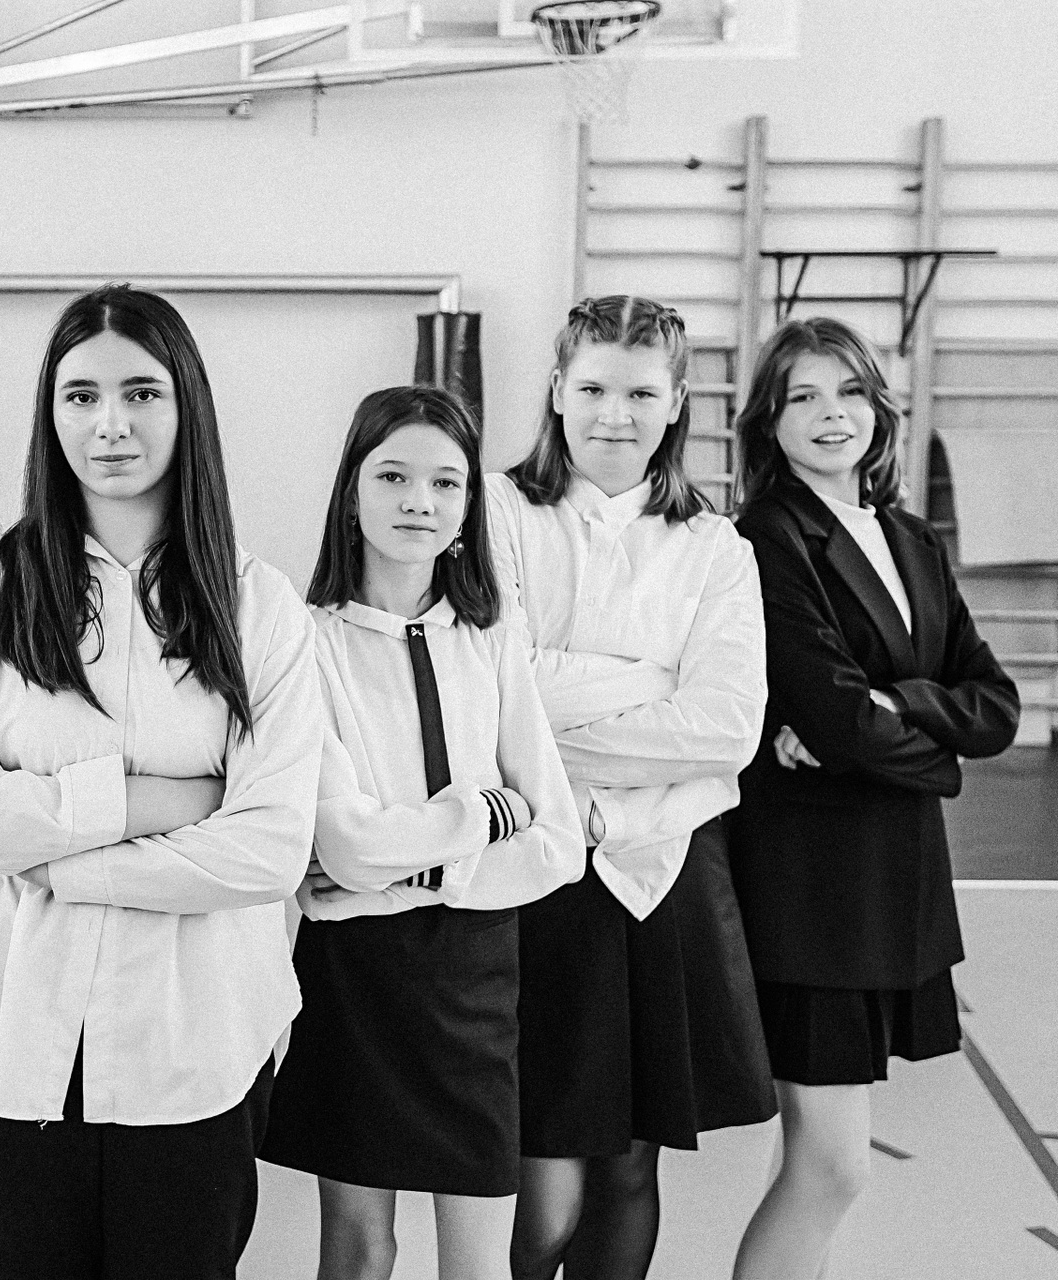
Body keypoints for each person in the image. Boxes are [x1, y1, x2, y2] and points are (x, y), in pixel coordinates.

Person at [0, 284, 323, 1279]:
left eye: (141, 392)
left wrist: (56, 863)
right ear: (50, 415)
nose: (111, 423)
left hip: (197, 1037)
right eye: (81, 396)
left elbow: (268, 848)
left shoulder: (259, 604)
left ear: (186, 406)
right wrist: (150, 801)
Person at [260, 385, 584, 1280]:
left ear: (468, 506)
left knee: (480, 1263)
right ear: (351, 490)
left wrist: (404, 882)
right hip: (356, 982)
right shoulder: (303, 639)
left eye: (446, 483)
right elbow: (347, 843)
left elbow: (557, 844)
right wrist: (484, 815)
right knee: (359, 1253)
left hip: (477, 976)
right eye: (394, 476)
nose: (420, 502)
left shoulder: (493, 634)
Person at [488, 295, 776, 1280]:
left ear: (678, 401)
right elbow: (501, 690)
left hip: (663, 874)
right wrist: (653, 680)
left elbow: (729, 728)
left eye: (642, 393)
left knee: (627, 1168)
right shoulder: (496, 511)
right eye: (594, 388)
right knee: (539, 1183)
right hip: (535, 876)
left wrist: (585, 747)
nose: (616, 414)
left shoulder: (716, 547)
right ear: (557, 391)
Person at [727, 317, 1018, 1280]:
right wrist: (933, 748)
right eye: (803, 396)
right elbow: (839, 716)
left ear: (878, 409)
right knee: (835, 1168)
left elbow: (997, 703)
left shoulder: (911, 538)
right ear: (768, 421)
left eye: (849, 391)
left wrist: (899, 705)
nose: (832, 414)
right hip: (813, 894)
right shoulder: (765, 537)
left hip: (892, 879)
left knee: (813, 1164)